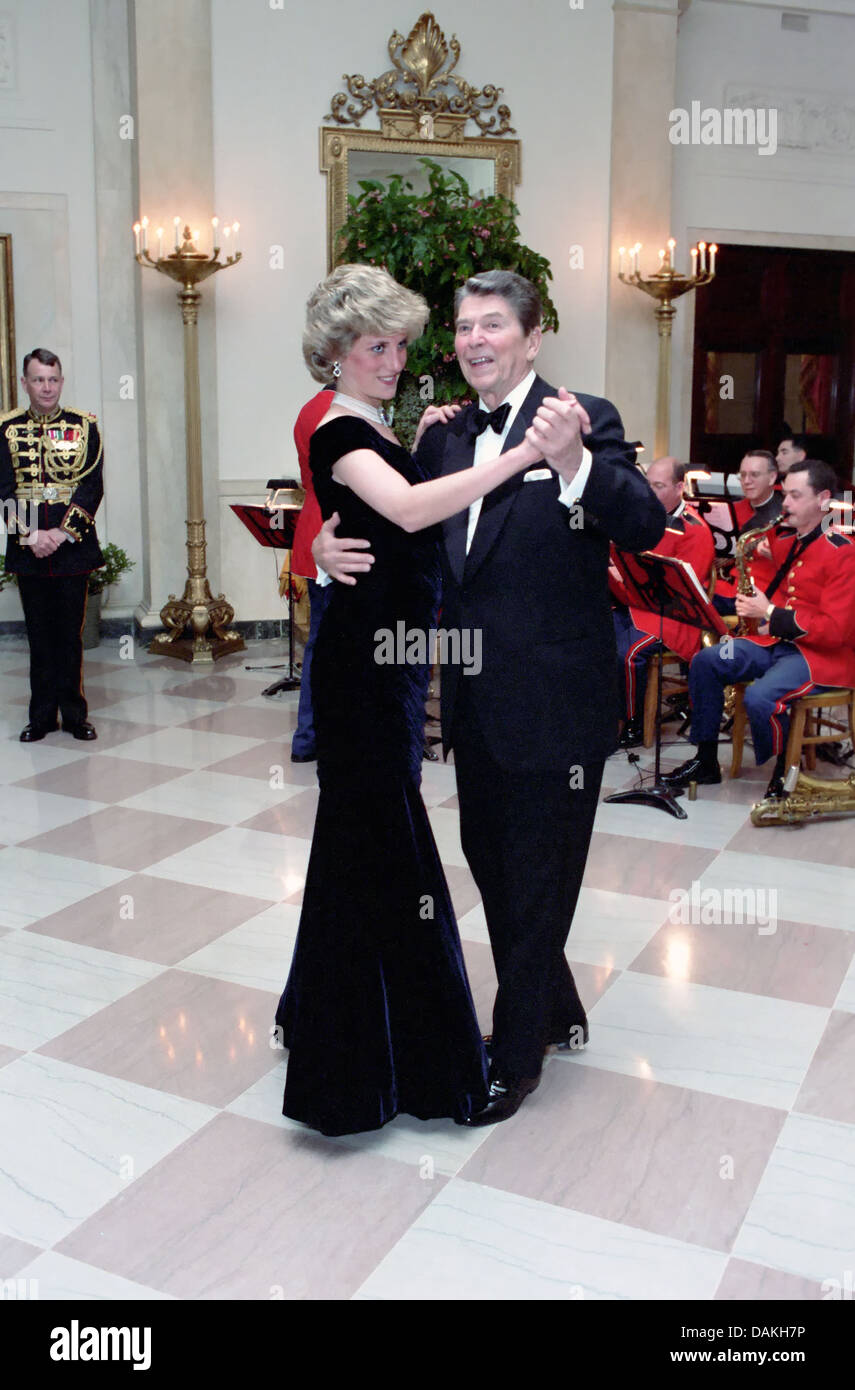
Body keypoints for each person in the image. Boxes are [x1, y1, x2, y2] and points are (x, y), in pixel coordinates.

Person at [313, 269, 666, 1126]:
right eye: (464, 326)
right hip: (474, 700)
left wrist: (574, 460)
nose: (473, 340)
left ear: (532, 337)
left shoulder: (585, 417)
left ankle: (511, 1058)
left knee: (540, 876)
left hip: (558, 701)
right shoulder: (441, 437)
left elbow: (644, 525)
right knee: (493, 864)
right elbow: (396, 529)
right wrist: (323, 551)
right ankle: (555, 1002)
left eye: (492, 325)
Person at [274, 264, 549, 1137]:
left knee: (357, 852)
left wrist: (419, 439)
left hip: (385, 665)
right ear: (335, 354)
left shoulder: (363, 422)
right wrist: (520, 458)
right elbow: (407, 507)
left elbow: (371, 510)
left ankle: (333, 1040)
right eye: (375, 346)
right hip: (366, 675)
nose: (394, 359)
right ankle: (411, 1070)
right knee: (387, 855)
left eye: (398, 344)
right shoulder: (332, 426)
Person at [663, 459, 855, 798]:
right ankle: (706, 759)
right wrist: (755, 550)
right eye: (785, 495)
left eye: (796, 496)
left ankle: (784, 773)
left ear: (823, 500)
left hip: (821, 655)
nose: (786, 504)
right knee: (708, 660)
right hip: (778, 643)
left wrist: (768, 610)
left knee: (760, 696)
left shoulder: (844, 552)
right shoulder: (790, 539)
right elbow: (769, 558)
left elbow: (836, 630)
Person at [0, 348, 103, 741]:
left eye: (53, 379)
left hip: (71, 546)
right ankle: (41, 717)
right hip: (29, 548)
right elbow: (5, 487)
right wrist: (31, 535)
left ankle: (75, 715)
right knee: (39, 635)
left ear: (61, 381)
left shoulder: (84, 426)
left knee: (70, 635)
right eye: (38, 379)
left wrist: (60, 533)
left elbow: (92, 486)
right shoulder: (5, 428)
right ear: (25, 383)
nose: (46, 387)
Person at [611, 458, 714, 748]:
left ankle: (635, 723)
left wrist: (628, 576)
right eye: (648, 484)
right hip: (637, 602)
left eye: (658, 486)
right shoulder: (643, 515)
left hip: (673, 614)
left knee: (628, 654)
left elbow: (684, 590)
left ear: (680, 487)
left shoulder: (694, 529)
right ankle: (606, 716)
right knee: (594, 638)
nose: (649, 492)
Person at [289, 386, 334, 763]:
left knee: (320, 644)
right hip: (335, 535)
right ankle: (313, 735)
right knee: (330, 644)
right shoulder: (337, 408)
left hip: (314, 527)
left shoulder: (310, 407)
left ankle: (309, 736)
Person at [713, 450, 782, 615]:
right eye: (742, 475)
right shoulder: (731, 510)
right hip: (730, 590)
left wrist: (779, 554)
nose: (746, 481)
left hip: (765, 596)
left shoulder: (788, 511)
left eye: (754, 475)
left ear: (772, 477)